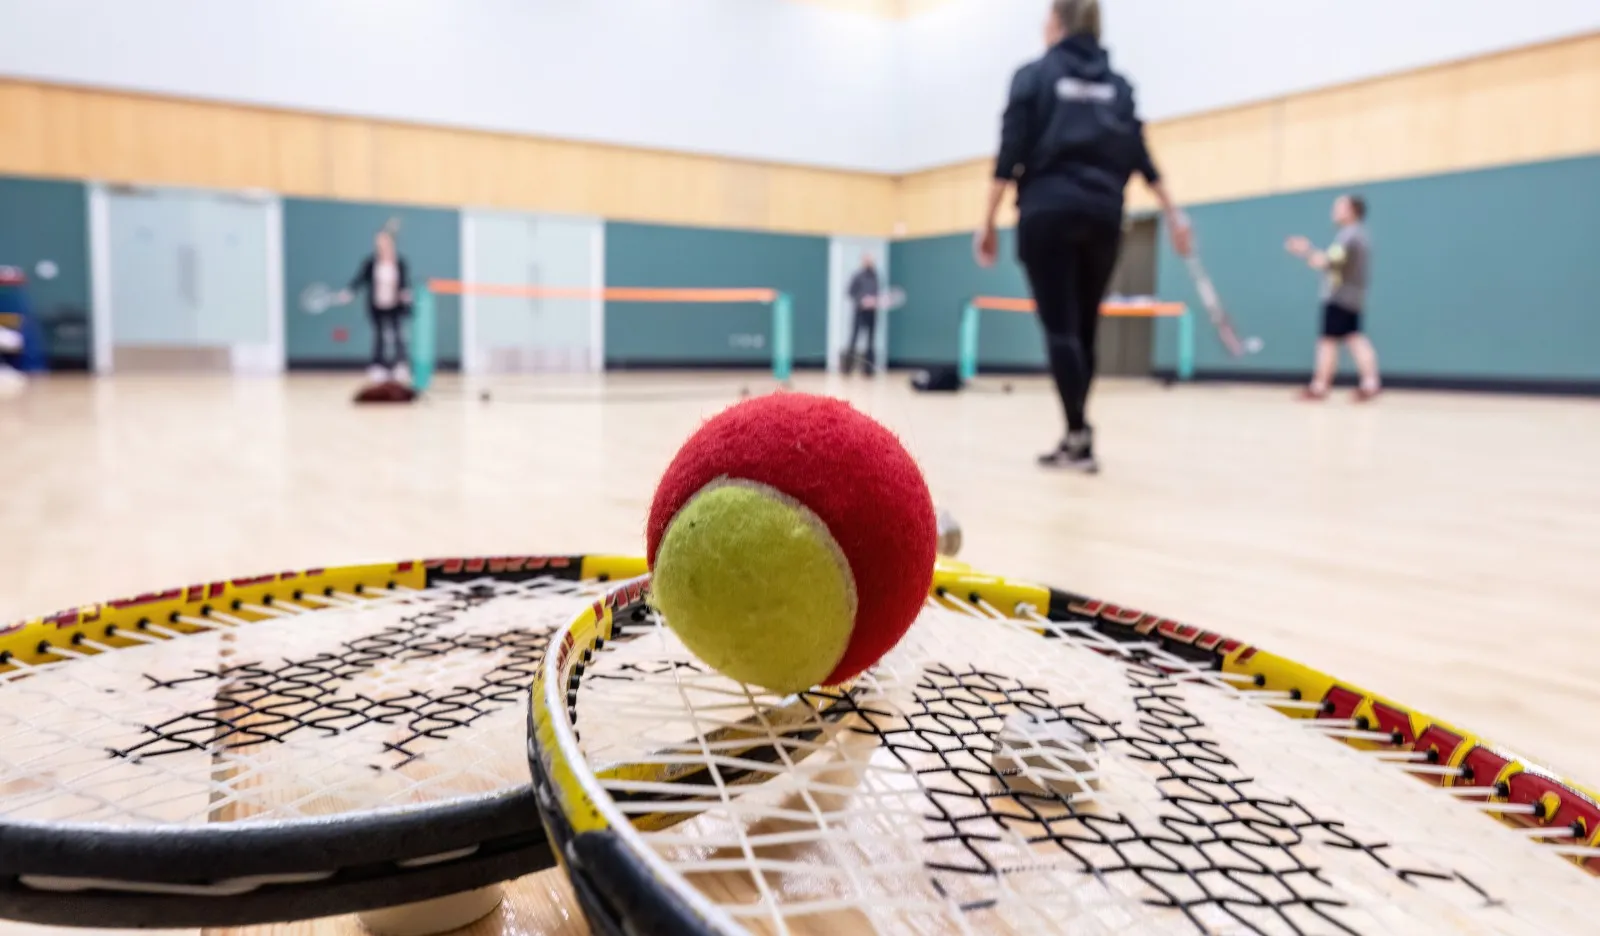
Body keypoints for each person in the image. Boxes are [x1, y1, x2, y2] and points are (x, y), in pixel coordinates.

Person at [975, 0, 1191, 473]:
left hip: (1047, 212)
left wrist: (987, 220)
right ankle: (1076, 431)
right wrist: (1174, 215)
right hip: (1103, 216)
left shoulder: (1033, 76)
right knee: (1084, 327)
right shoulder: (1118, 87)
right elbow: (1140, 153)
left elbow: (1009, 152)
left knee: (1059, 327)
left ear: (1056, 23)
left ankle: (1078, 432)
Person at [1285, 195, 1380, 401]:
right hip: (1352, 296)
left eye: (1339, 207)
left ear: (1351, 211)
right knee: (1354, 337)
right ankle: (1369, 383)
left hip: (1340, 297)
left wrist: (1305, 250)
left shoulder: (1349, 236)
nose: (1335, 210)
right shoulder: (1358, 235)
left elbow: (1327, 262)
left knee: (1328, 341)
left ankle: (1320, 386)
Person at [339, 230, 413, 383]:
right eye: (378, 242)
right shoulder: (371, 262)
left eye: (384, 241)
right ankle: (378, 366)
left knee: (398, 335)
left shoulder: (400, 262)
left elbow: (404, 282)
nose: (381, 245)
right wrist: (349, 292)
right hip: (377, 305)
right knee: (379, 336)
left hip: (395, 305)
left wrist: (405, 294)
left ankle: (400, 365)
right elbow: (360, 279)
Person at [842, 255, 881, 376]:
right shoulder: (857, 276)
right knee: (853, 339)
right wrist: (862, 300)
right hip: (859, 312)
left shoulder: (875, 276)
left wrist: (876, 301)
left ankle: (869, 370)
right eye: (867, 260)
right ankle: (847, 368)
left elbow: (877, 292)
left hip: (872, 313)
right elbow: (850, 292)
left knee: (870, 341)